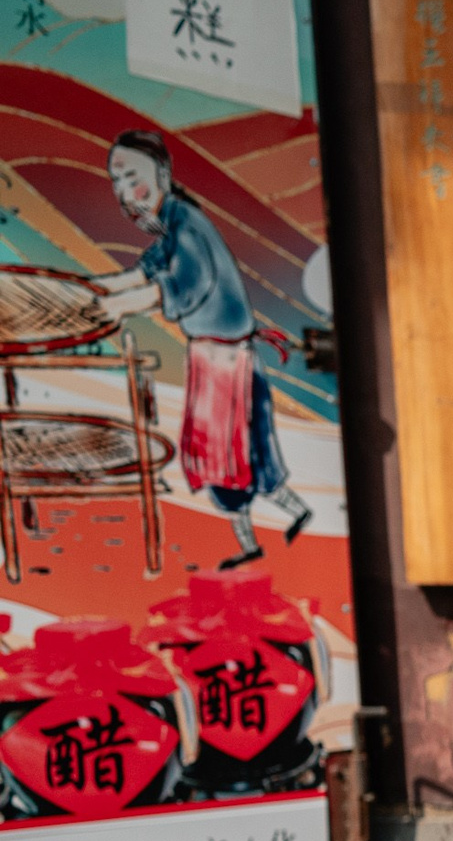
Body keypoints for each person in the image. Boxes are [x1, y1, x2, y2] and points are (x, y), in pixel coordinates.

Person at [90, 129, 310, 570]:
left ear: (163, 174)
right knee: (238, 457)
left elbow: (179, 288)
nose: (123, 192)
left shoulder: (187, 226)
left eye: (131, 177)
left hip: (229, 364)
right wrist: (96, 294)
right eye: (116, 181)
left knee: (235, 458)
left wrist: (114, 307)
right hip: (215, 360)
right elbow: (145, 270)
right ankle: (263, 533)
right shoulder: (173, 223)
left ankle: (271, 530)